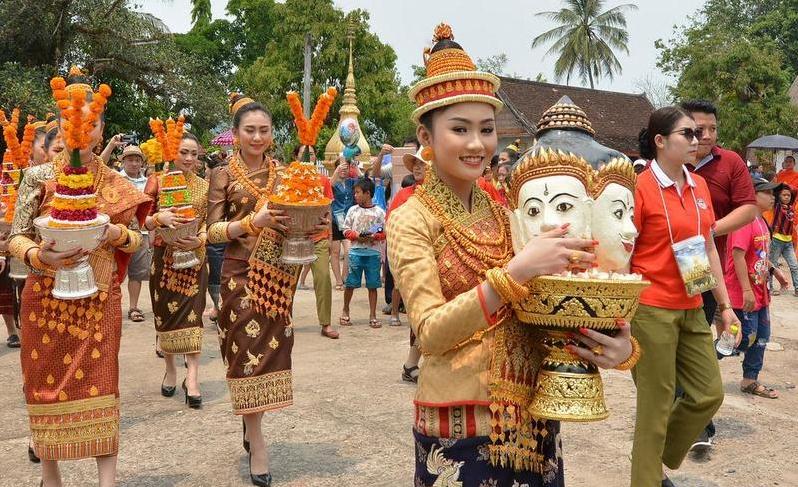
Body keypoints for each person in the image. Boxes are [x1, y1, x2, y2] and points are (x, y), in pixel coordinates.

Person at [388, 24, 633, 486]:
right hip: (459, 424)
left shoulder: (506, 209)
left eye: (486, 129)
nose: (478, 144)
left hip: (534, 412)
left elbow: (548, 309)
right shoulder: (411, 218)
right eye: (460, 129)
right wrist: (516, 270)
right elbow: (430, 333)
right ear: (426, 134)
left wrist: (618, 346)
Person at [9, 68, 150, 487]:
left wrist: (114, 233)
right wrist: (39, 255)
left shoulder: (117, 183)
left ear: (101, 127)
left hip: (99, 299)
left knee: (102, 383)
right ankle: (50, 475)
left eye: (93, 124)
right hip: (46, 297)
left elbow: (138, 242)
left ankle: (107, 480)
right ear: (61, 122)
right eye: (77, 122)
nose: (83, 132)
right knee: (43, 387)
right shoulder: (38, 176)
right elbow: (16, 238)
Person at [207, 93, 327, 486]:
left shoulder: (287, 172)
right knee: (244, 355)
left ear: (272, 134)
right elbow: (210, 232)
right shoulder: (222, 175)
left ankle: (251, 421)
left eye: (264, 130)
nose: (257, 137)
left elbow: (305, 215)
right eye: (249, 130)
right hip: (239, 274)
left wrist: (311, 224)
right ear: (236, 134)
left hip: (279, 274)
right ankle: (258, 443)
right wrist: (250, 222)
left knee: (270, 356)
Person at [631, 106, 739, 487]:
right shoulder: (639, 187)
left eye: (699, 134)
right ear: (660, 141)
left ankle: (653, 455)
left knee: (709, 394)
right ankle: (647, 476)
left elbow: (706, 247)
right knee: (655, 406)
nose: (698, 140)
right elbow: (623, 251)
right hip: (650, 308)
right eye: (688, 134)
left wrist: (724, 305)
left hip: (692, 304)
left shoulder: (699, 186)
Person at [679, 99, 757, 453]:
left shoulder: (731, 163)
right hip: (662, 270)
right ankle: (681, 413)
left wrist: (707, 229)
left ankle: (695, 417)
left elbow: (750, 208)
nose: (706, 137)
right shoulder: (667, 166)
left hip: (704, 266)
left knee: (695, 334)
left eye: (712, 129)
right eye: (697, 130)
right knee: (675, 341)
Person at [143, 133, 209, 409]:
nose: (189, 158)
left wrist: (200, 240)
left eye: (194, 153)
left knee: (193, 317)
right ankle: (171, 370)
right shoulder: (157, 181)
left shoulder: (204, 187)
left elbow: (207, 223)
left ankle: (192, 378)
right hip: (164, 260)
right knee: (166, 317)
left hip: (193, 260)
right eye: (184, 152)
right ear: (173, 152)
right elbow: (142, 220)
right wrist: (159, 217)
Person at [724, 176, 779, 399]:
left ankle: (750, 380)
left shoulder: (762, 221)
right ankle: (708, 353)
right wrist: (746, 290)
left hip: (760, 292)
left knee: (762, 336)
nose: (773, 197)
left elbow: (760, 254)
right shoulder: (743, 221)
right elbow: (737, 255)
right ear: (753, 195)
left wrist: (776, 272)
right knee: (745, 338)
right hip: (743, 293)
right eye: (768, 192)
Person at [385, 148, 428, 383]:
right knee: (422, 316)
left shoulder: (443, 194)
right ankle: (412, 365)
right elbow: (392, 228)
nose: (418, 167)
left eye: (423, 163)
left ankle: (412, 364)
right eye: (416, 164)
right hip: (415, 264)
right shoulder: (404, 196)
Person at [295, 145, 339, 339]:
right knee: (288, 283)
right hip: (294, 240)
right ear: (296, 157)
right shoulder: (290, 180)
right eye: (304, 154)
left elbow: (328, 209)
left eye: (311, 154)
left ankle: (326, 323)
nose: (308, 157)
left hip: (318, 238)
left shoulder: (323, 181)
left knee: (323, 279)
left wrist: (329, 236)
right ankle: (283, 320)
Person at [340, 178, 385, 328]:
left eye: (358, 192)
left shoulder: (379, 212)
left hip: (373, 253)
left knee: (373, 285)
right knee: (350, 284)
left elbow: (384, 232)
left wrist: (374, 237)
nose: (355, 195)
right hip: (355, 252)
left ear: (368, 193)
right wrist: (356, 236)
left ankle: (373, 315)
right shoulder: (353, 210)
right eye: (355, 192)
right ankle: (345, 310)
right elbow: (345, 230)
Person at [117, 145, 151, 323]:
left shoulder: (148, 182)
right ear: (123, 161)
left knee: (137, 272)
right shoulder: (115, 178)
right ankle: (112, 306)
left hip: (141, 233)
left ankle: (133, 307)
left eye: (137, 160)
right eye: (130, 159)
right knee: (114, 271)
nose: (134, 163)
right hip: (119, 233)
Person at [204, 152, 228, 326]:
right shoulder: (202, 186)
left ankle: (221, 308)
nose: (205, 173)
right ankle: (217, 307)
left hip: (224, 235)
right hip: (209, 236)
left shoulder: (225, 182)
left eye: (207, 170)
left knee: (218, 273)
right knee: (214, 273)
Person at [330, 154, 361, 291]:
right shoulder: (332, 182)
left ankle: (345, 277)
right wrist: (336, 172)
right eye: (340, 166)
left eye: (345, 166)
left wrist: (354, 165)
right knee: (335, 252)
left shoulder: (351, 182)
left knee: (349, 251)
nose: (343, 168)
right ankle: (338, 281)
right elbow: (327, 187)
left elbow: (363, 180)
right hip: (335, 221)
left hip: (348, 221)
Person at [767, 184, 798, 295]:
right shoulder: (777, 206)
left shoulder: (791, 207)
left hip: (788, 242)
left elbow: (795, 191)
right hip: (776, 240)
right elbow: (774, 191)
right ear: (778, 196)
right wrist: (782, 185)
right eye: (784, 195)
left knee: (794, 265)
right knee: (772, 265)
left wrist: (788, 189)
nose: (786, 197)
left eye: (788, 195)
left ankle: (797, 288)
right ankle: (769, 288)